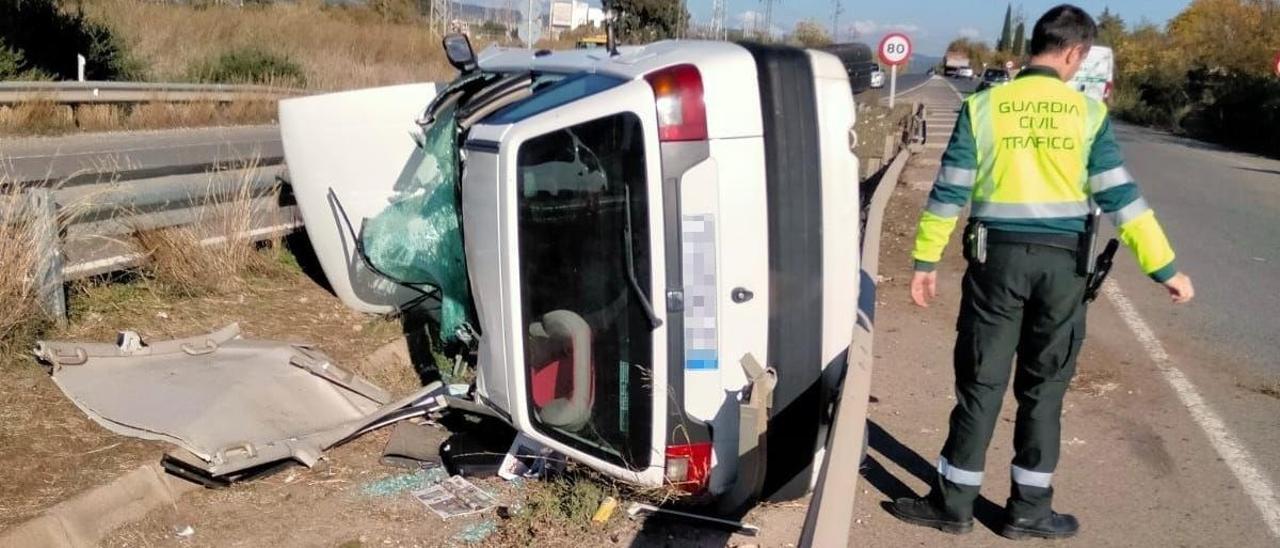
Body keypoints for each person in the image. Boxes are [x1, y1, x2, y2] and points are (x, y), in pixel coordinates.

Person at [887, 4, 1195, 541]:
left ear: (1036, 45)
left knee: (981, 381)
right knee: (1044, 388)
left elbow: (950, 190)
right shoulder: (1087, 115)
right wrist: (1164, 267)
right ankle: (1028, 511)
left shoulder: (984, 106)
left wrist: (925, 261)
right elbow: (1121, 198)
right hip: (1063, 268)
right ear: (1074, 53)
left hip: (995, 264)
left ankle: (953, 504)